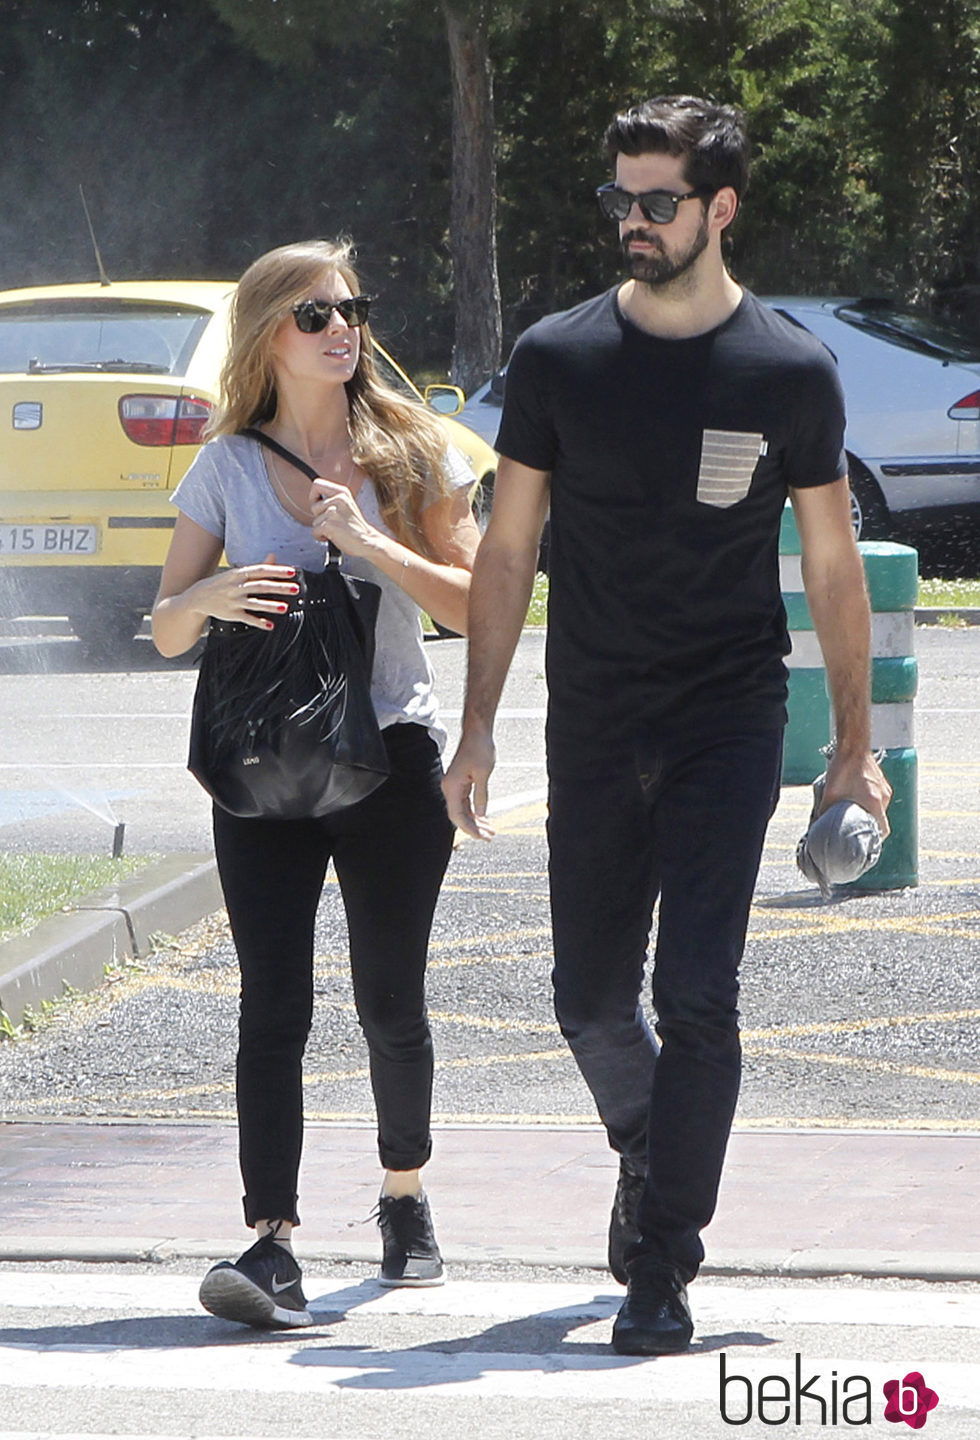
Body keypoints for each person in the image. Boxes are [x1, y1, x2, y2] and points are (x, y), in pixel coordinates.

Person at [442, 96, 891, 1356]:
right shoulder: (554, 359)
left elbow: (833, 565)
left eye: (657, 203)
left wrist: (850, 753)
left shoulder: (786, 371)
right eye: (617, 200)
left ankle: (661, 1267)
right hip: (590, 716)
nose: (630, 223)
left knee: (696, 994)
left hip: (723, 716)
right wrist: (477, 727)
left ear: (720, 209)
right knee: (587, 1002)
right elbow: (510, 546)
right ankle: (649, 1150)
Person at [152, 238, 480, 1328]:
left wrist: (368, 543)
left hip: (389, 751)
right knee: (272, 1005)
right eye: (313, 315)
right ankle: (271, 1241)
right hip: (262, 763)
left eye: (351, 308)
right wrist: (216, 593)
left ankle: (404, 1194)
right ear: (266, 339)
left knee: (389, 996)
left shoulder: (414, 451)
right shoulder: (228, 465)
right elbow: (160, 628)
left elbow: (481, 605)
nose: (341, 327)